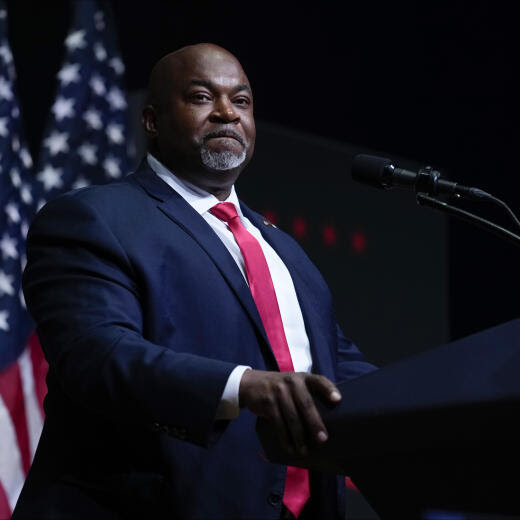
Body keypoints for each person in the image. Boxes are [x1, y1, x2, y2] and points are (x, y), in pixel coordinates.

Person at [13, 43, 376, 520]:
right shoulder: (94, 219)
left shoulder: (281, 249)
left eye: (241, 101)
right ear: (151, 121)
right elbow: (98, 358)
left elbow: (337, 368)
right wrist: (241, 386)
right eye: (203, 97)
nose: (226, 113)